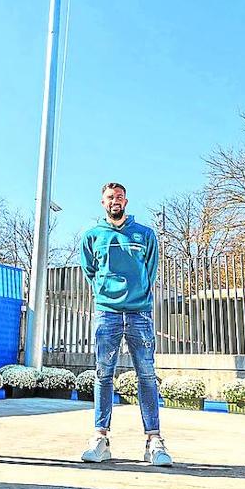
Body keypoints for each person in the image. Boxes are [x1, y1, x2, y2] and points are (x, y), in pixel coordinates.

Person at [78, 182, 172, 467]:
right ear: (102, 202)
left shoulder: (144, 234)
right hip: (106, 313)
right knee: (103, 374)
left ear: (126, 201)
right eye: (110, 197)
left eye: (119, 197)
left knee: (146, 375)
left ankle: (154, 441)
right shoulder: (92, 236)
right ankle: (100, 438)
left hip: (139, 314)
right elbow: (90, 271)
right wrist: (107, 294)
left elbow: (151, 270)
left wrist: (137, 294)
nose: (114, 201)